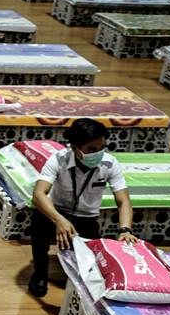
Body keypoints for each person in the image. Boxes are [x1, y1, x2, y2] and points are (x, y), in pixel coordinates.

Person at [29, 118, 137, 298]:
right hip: (57, 212)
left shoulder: (110, 164)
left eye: (102, 148)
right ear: (75, 148)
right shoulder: (58, 159)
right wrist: (59, 220)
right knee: (39, 222)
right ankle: (40, 274)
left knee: (90, 266)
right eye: (92, 150)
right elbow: (39, 194)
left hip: (86, 219)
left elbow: (123, 201)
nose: (98, 154)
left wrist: (125, 229)